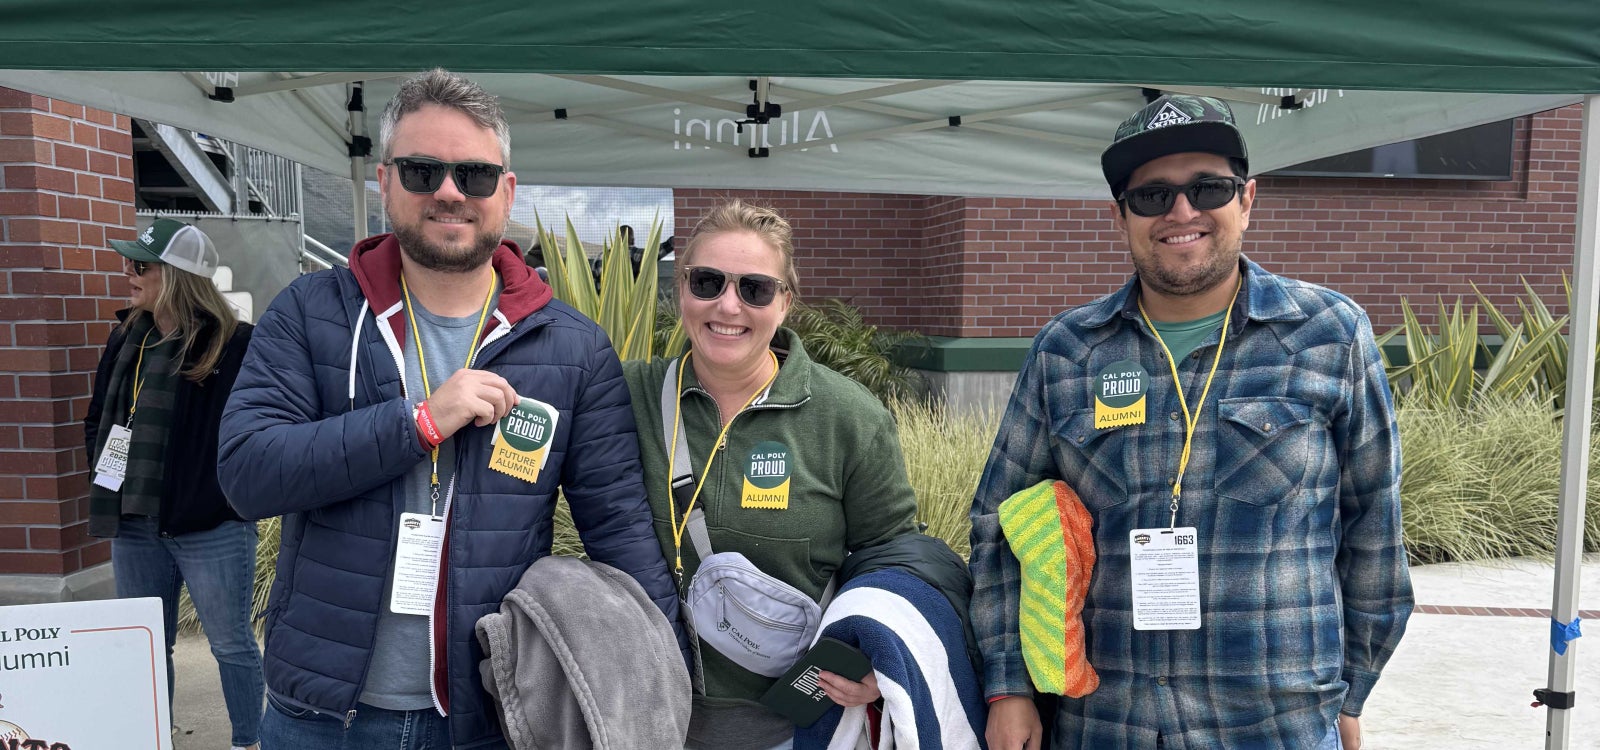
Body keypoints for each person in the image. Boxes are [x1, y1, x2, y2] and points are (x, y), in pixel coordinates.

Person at [217, 68, 685, 748]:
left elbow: (620, 530)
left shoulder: (573, 349)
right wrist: (419, 423)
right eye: (421, 170)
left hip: (487, 714)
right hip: (321, 718)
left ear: (507, 190)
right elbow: (246, 474)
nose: (447, 191)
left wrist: (661, 676)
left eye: (473, 174)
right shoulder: (313, 312)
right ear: (384, 182)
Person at [969, 94, 1413, 750]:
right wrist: (1009, 687)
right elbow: (997, 523)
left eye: (1208, 188)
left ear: (1248, 199)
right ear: (1120, 215)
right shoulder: (1067, 350)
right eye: (1152, 196)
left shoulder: (1329, 334)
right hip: (1105, 721)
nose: (1182, 212)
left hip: (1274, 725)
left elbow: (1374, 531)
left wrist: (1351, 689)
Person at [621, 200, 919, 750]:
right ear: (681, 288)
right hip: (645, 719)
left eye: (755, 289)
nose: (727, 305)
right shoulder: (627, 395)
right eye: (708, 282)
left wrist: (885, 652)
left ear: (785, 302)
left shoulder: (847, 418)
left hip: (796, 727)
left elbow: (895, 557)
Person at [84, 218, 262, 750]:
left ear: (178, 276)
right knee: (145, 644)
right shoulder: (124, 339)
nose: (128, 274)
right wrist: (108, 469)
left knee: (230, 644)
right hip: (133, 520)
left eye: (141, 265)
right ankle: (153, 736)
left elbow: (253, 432)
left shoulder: (233, 345)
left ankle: (249, 742)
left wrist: (215, 492)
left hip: (209, 522)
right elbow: (99, 417)